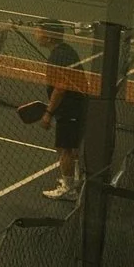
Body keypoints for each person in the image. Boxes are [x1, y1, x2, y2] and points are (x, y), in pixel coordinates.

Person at [38, 20, 87, 200]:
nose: (36, 34)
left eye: (39, 31)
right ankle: (74, 180)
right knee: (71, 147)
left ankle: (69, 189)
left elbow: (61, 86)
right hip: (77, 106)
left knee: (64, 148)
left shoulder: (58, 57)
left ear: (49, 36)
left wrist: (48, 113)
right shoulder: (66, 50)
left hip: (70, 108)